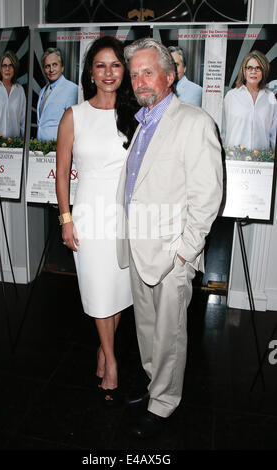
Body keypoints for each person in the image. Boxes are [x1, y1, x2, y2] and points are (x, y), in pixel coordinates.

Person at [116, 38, 223, 438]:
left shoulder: (194, 122)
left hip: (171, 254)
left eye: (149, 71)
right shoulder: (142, 121)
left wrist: (183, 253)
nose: (141, 81)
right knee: (147, 331)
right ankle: (153, 387)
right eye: (135, 74)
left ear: (170, 75)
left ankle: (164, 403)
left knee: (169, 335)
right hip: (140, 246)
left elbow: (208, 196)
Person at [56, 36, 138, 404]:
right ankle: (113, 360)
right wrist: (65, 218)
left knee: (118, 292)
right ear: (90, 71)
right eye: (101, 65)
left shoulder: (135, 115)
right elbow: (61, 174)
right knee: (98, 290)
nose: (108, 73)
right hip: (87, 214)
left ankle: (104, 352)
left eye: (115, 65)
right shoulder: (74, 115)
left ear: (125, 71)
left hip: (123, 216)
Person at [222, 50, 277, 152]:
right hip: (234, 158)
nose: (253, 72)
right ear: (244, 70)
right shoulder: (231, 96)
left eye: (258, 68)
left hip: (261, 161)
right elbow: (223, 131)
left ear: (263, 71)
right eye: (250, 68)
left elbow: (274, 135)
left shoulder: (270, 98)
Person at [37, 47, 78, 141]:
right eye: (47, 66)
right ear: (44, 69)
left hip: (58, 148)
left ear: (62, 67)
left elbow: (72, 125)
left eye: (54, 65)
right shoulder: (42, 91)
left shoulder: (72, 89)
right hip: (39, 149)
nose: (51, 70)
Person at [0, 50, 26, 137]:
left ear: (15, 68)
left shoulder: (20, 91)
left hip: (14, 145)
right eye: (4, 65)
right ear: (0, 68)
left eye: (11, 65)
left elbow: (23, 120)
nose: (7, 69)